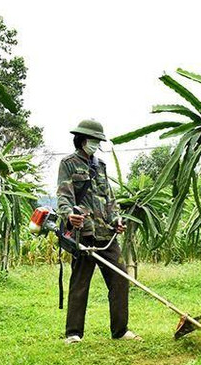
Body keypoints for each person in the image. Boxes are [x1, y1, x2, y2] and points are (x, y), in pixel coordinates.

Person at [56, 119, 141, 344]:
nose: (95, 144)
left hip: (106, 234)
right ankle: (73, 333)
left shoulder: (100, 166)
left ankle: (120, 331)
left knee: (120, 278)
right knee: (80, 284)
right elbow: (64, 195)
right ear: (82, 139)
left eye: (98, 140)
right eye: (92, 139)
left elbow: (109, 199)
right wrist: (69, 215)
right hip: (84, 233)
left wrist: (116, 220)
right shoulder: (68, 164)